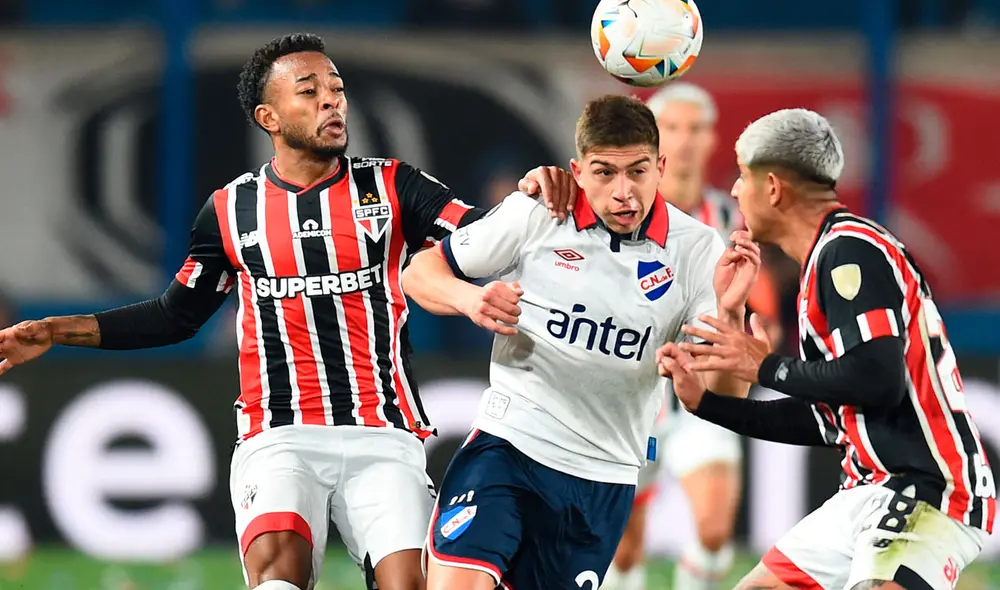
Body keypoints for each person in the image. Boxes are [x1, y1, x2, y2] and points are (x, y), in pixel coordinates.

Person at [0, 33, 574, 590]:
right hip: (279, 434)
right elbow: (175, 315)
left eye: (337, 89)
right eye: (309, 91)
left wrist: (527, 198)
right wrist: (54, 330)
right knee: (278, 577)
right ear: (268, 117)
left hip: (383, 434)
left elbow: (482, 237)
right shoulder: (230, 210)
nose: (332, 101)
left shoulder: (393, 186)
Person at [401, 94, 759, 590]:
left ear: (659, 168)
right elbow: (420, 271)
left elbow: (726, 397)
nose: (623, 193)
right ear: (578, 171)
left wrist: (731, 317)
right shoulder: (539, 211)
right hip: (509, 446)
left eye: (637, 172)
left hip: (602, 476)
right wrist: (470, 299)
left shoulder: (697, 249)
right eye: (604, 173)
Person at [658, 108, 995, 590]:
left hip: (926, 488)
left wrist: (766, 367)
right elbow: (827, 419)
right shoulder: (824, 259)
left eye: (742, 176)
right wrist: (707, 404)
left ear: (773, 188)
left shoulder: (850, 251)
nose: (733, 189)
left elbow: (877, 380)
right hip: (866, 489)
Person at [601, 82, 780, 590]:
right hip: (634, 397)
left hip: (702, 391)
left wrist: (761, 323)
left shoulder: (728, 216)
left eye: (695, 129)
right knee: (624, 548)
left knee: (715, 529)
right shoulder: (619, 212)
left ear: (711, 139)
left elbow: (757, 290)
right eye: (672, 129)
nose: (684, 140)